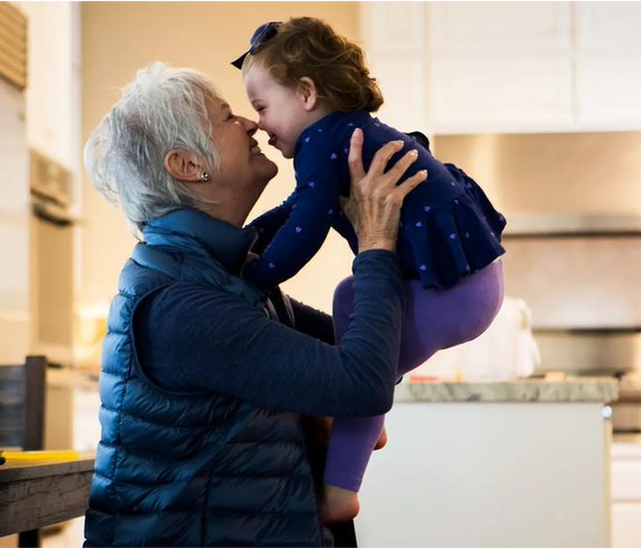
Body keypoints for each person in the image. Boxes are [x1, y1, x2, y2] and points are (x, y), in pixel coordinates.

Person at [81, 62, 425, 549]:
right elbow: (363, 383)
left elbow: (376, 355)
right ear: (186, 166)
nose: (251, 123)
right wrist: (375, 242)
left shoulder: (223, 275)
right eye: (225, 118)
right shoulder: (178, 304)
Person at [232, 16, 508, 521]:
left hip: (455, 290)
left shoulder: (322, 142)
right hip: (469, 283)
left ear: (307, 94)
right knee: (350, 297)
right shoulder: (342, 133)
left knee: (363, 374)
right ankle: (365, 421)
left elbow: (309, 226)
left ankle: (341, 490)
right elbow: (299, 207)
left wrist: (259, 273)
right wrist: (247, 241)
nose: (261, 126)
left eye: (262, 107)